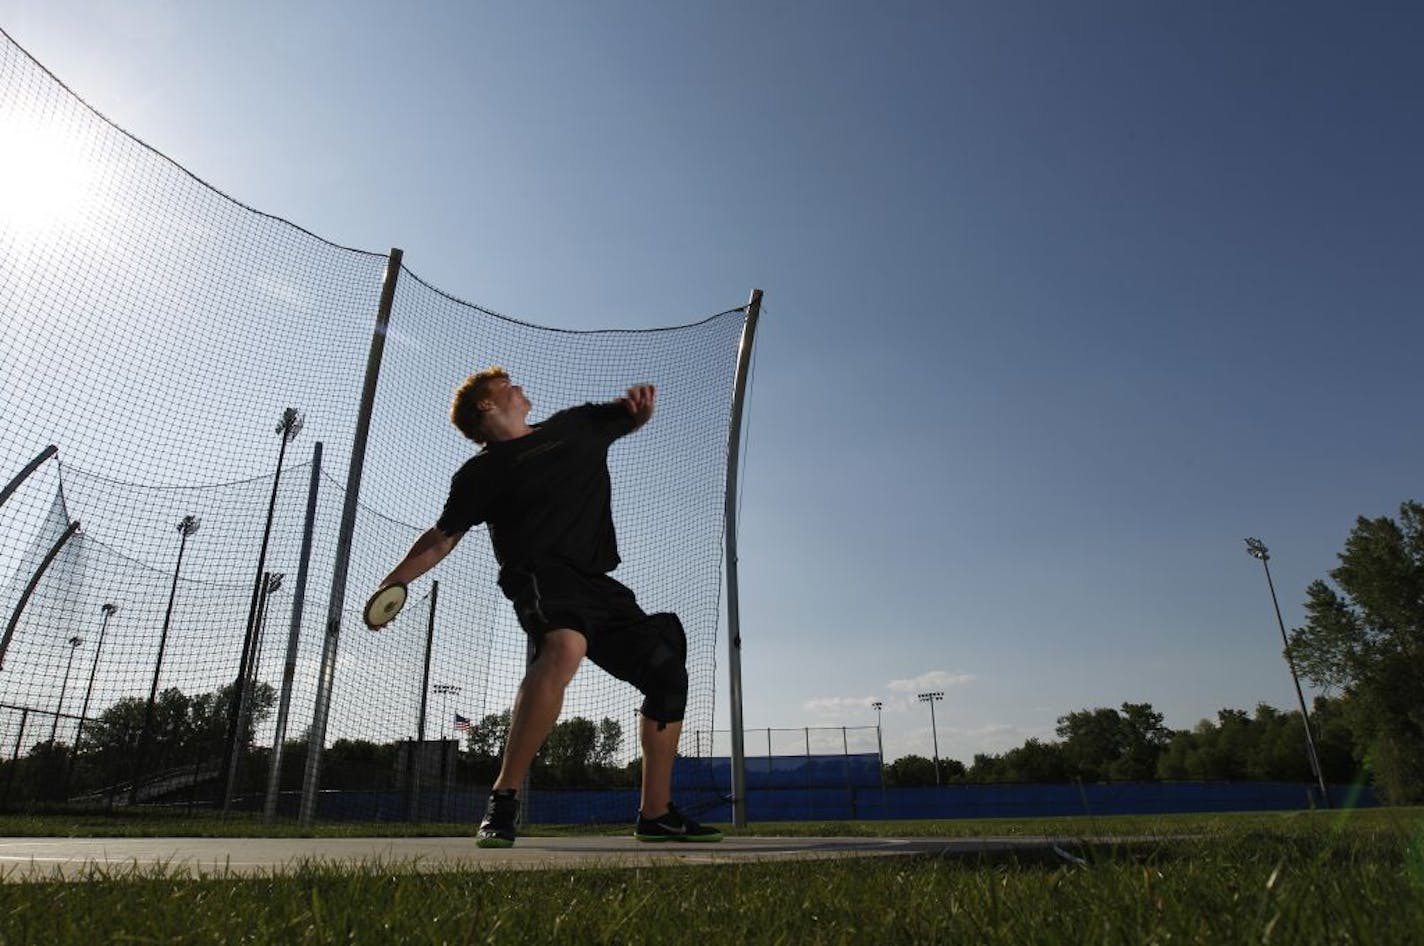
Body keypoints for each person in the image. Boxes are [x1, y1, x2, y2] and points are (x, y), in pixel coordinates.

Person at [376, 366, 722, 848]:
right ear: (487, 405)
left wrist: (641, 413)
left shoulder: (575, 425)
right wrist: (394, 582)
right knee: (564, 647)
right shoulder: (481, 473)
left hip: (598, 583)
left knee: (667, 672)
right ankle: (503, 800)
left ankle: (656, 814)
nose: (519, 387)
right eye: (507, 386)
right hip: (541, 576)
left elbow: (627, 418)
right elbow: (441, 538)